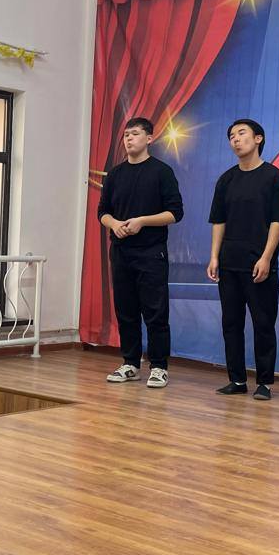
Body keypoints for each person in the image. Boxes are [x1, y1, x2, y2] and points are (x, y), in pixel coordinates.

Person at [207, 119, 279, 400]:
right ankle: (237, 379)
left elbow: (277, 222)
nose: (235, 139)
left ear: (258, 138)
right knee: (231, 323)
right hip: (229, 263)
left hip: (259, 264)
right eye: (231, 135)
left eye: (241, 133)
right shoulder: (226, 180)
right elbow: (218, 221)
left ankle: (264, 382)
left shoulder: (274, 178)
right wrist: (214, 256)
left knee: (263, 324)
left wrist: (266, 258)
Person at [98, 117, 183, 389]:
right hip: (121, 251)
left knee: (155, 312)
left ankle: (159, 366)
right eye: (126, 135)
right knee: (126, 310)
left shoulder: (162, 172)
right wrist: (114, 224)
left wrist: (142, 221)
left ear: (149, 138)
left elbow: (175, 213)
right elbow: (103, 212)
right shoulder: (115, 174)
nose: (129, 139)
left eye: (134, 134)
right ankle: (130, 363)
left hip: (151, 253)